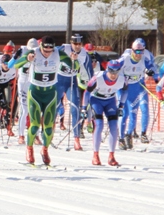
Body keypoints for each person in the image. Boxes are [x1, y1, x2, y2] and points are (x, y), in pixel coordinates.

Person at [12, 36, 72, 166]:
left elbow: (73, 65)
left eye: (50, 49)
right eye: (45, 49)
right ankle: (29, 149)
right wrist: (26, 59)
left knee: (49, 128)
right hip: (35, 92)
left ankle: (45, 150)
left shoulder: (57, 53)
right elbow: (16, 64)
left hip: (50, 92)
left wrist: (74, 61)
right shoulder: (33, 52)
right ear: (41, 46)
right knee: (34, 126)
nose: (48, 52)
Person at [83, 59, 125, 166]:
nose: (113, 75)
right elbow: (87, 91)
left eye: (116, 72)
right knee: (99, 125)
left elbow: (125, 90)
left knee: (114, 126)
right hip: (96, 100)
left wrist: (121, 106)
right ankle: (95, 155)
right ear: (107, 70)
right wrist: (84, 108)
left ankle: (111, 156)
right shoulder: (98, 77)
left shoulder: (121, 79)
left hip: (110, 101)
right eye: (111, 72)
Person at [118, 38, 156, 149]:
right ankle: (120, 138)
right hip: (123, 88)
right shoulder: (125, 58)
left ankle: (128, 135)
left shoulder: (144, 58)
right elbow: (112, 67)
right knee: (124, 113)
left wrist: (151, 71)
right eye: (136, 52)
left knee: (133, 113)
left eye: (141, 51)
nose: (139, 54)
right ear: (132, 50)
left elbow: (153, 67)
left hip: (135, 87)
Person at [58, 34, 93, 149]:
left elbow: (90, 72)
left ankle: (76, 138)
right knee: (53, 107)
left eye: (79, 44)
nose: (77, 46)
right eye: (75, 44)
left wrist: (93, 85)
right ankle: (47, 132)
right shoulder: (64, 49)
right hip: (58, 81)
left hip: (71, 82)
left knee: (75, 109)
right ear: (71, 43)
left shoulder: (84, 55)